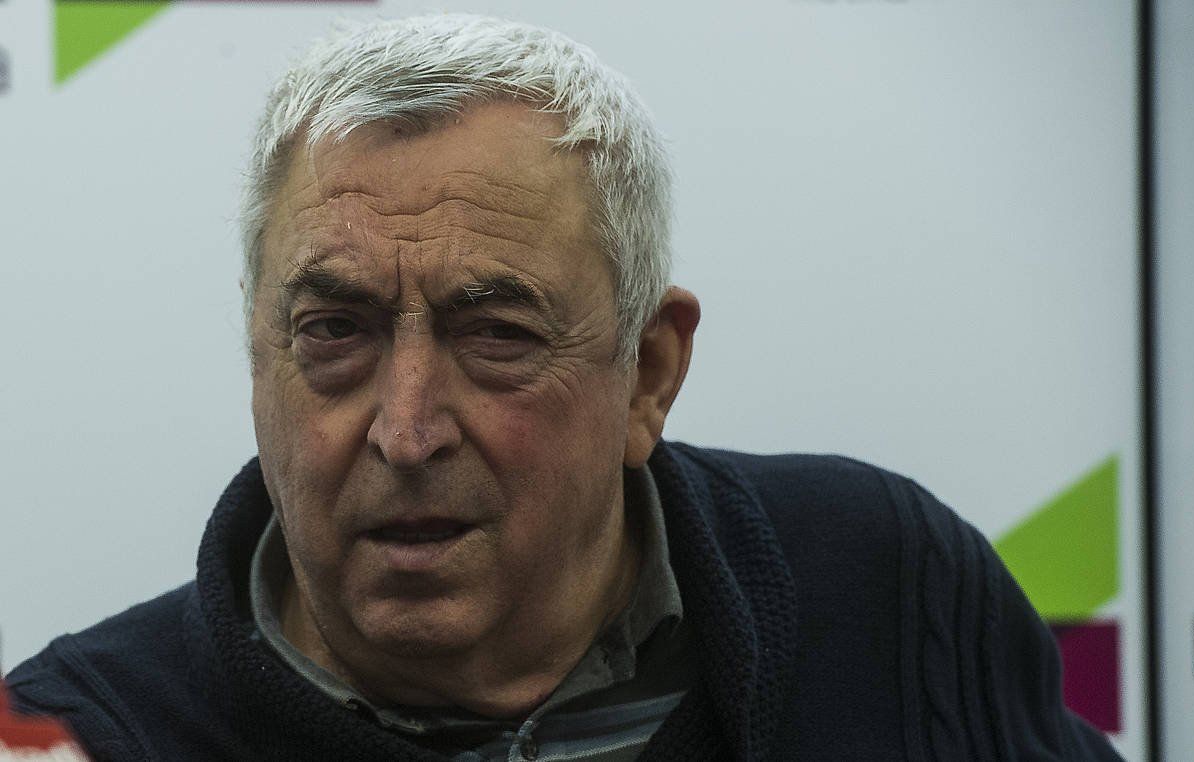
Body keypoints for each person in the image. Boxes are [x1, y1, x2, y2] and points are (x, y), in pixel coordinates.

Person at [4, 14, 1121, 762]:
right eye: (334, 332)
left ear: (648, 374)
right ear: (259, 354)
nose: (406, 430)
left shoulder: (886, 594)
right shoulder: (79, 736)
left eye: (495, 334)